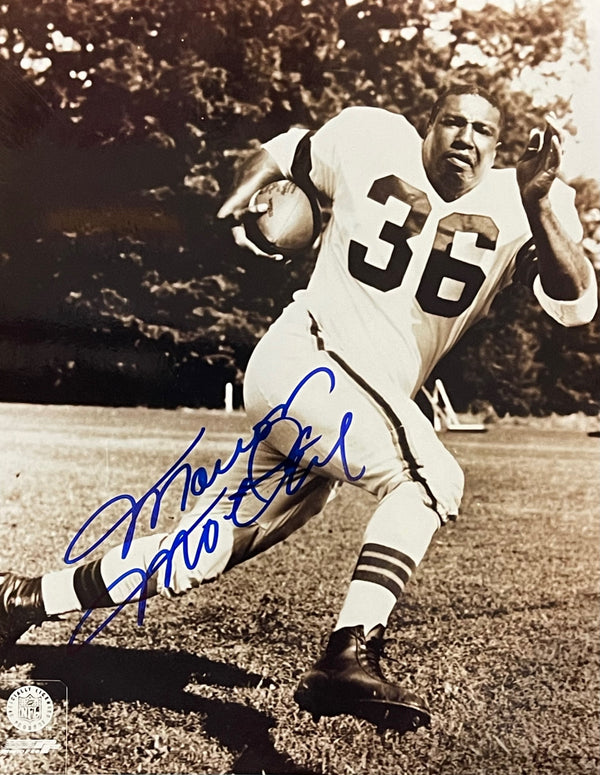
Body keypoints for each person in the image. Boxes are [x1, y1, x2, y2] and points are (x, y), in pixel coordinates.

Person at [1, 84, 597, 734]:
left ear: (498, 146)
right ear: (428, 128)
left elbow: (576, 303)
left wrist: (539, 201)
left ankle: (26, 597)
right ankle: (349, 652)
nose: (465, 137)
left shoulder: (526, 199)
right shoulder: (371, 135)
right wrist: (241, 210)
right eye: (452, 122)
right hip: (311, 356)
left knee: (199, 549)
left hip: (341, 399)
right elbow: (280, 153)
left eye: (482, 130)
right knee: (431, 478)